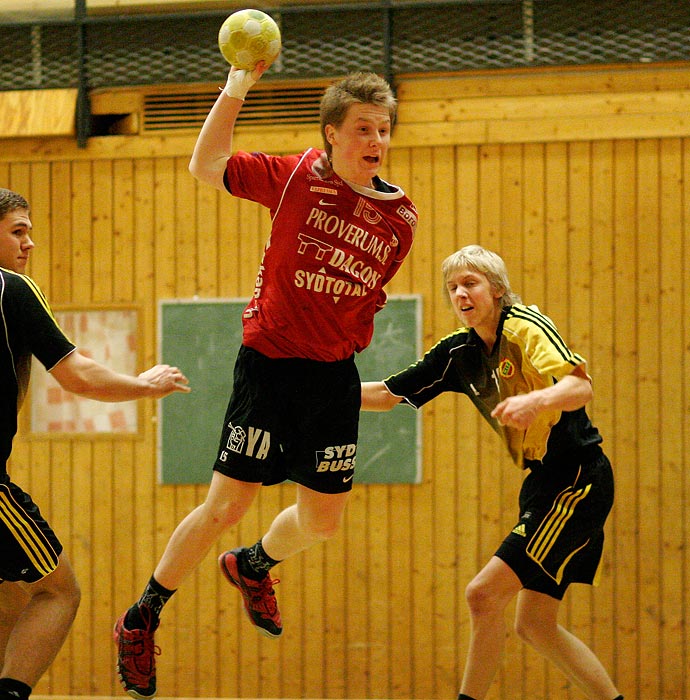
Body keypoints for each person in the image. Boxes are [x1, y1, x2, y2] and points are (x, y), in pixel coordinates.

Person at [114, 61, 418, 699]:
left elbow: (364, 299)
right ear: (332, 134)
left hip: (334, 375)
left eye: (384, 130)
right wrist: (235, 85)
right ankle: (143, 614)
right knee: (227, 504)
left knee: (324, 523)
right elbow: (205, 165)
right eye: (363, 128)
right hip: (270, 365)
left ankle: (253, 565)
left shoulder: (401, 221)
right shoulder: (295, 175)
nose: (376, 142)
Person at [361, 245, 623, 700]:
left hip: (577, 481)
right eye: (452, 288)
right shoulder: (457, 353)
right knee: (535, 625)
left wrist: (535, 400)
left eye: (470, 283)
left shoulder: (524, 326)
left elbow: (581, 386)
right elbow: (385, 395)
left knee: (482, 595)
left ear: (497, 289)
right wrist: (315, 392)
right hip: (542, 484)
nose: (461, 294)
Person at [0, 188, 190, 700]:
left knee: (11, 597)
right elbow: (78, 375)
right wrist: (144, 385)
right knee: (58, 592)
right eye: (18, 231)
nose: (30, 243)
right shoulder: (9, 291)